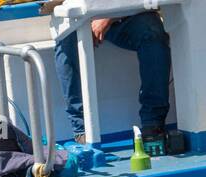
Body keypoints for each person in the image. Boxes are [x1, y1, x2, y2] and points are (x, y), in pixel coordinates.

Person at [49, 9, 171, 149]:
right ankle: (82, 131)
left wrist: (108, 17)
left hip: (122, 15)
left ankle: (153, 125)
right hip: (76, 19)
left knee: (152, 31)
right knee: (66, 40)